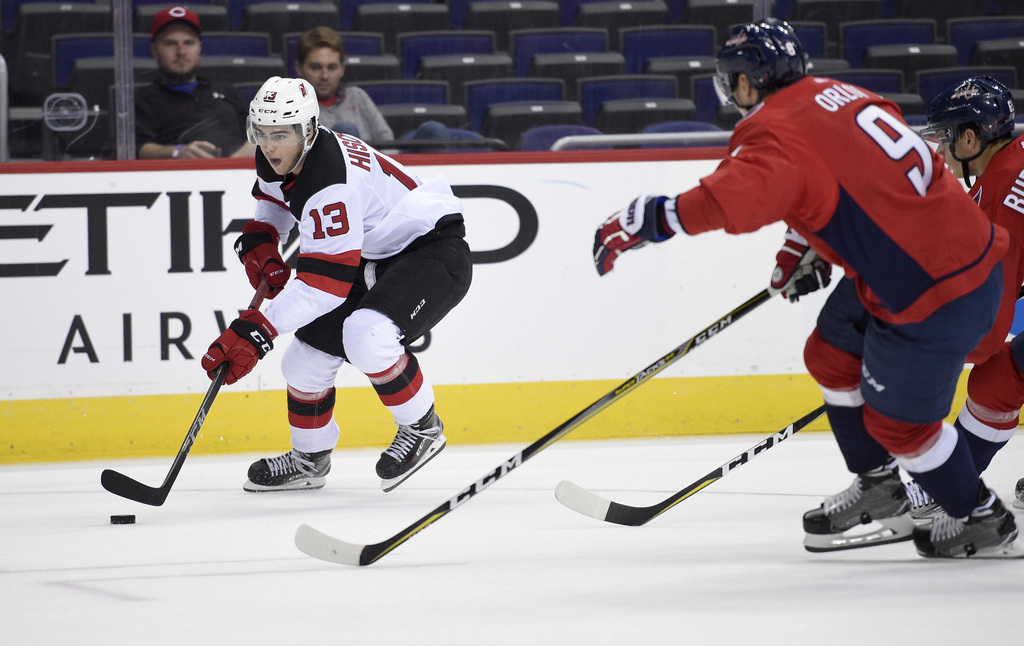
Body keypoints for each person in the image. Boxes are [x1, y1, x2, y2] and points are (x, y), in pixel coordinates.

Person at [592, 19, 1021, 559]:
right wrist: (804, 246)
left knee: (902, 428)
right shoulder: (840, 96)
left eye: (732, 79)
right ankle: (879, 486)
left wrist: (652, 218)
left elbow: (736, 199)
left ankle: (982, 518)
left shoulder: (774, 127)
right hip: (945, 264)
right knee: (830, 350)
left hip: (930, 292)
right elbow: (842, 179)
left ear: (748, 82)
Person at [200, 76, 472, 493]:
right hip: (375, 257)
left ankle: (423, 428)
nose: (269, 146)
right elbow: (275, 201)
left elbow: (325, 285)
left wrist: (257, 330)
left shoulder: (332, 183)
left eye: (280, 134)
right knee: (303, 362)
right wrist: (262, 239)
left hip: (432, 252)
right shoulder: (281, 155)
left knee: (368, 334)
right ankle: (310, 459)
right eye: (261, 134)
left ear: (307, 131)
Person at [919, 76, 1024, 512]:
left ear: (970, 136)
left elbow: (994, 313)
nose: (940, 151)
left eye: (945, 138)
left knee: (999, 378)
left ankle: (944, 485)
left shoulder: (1005, 190)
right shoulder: (1007, 168)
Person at [135, 6, 256, 159]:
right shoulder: (143, 99)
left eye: (189, 43)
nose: (181, 52)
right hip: (177, 178)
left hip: (239, 175)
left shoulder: (227, 92)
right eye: (170, 43)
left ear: (199, 47)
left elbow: (259, 135)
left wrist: (232, 164)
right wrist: (177, 152)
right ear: (154, 50)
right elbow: (133, 148)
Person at [295, 27, 451, 144]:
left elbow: (387, 142)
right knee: (346, 131)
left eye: (332, 67)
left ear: (342, 69)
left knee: (434, 129)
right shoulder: (291, 107)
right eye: (316, 68)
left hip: (376, 174)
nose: (324, 76)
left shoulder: (357, 96)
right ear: (299, 68)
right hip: (330, 179)